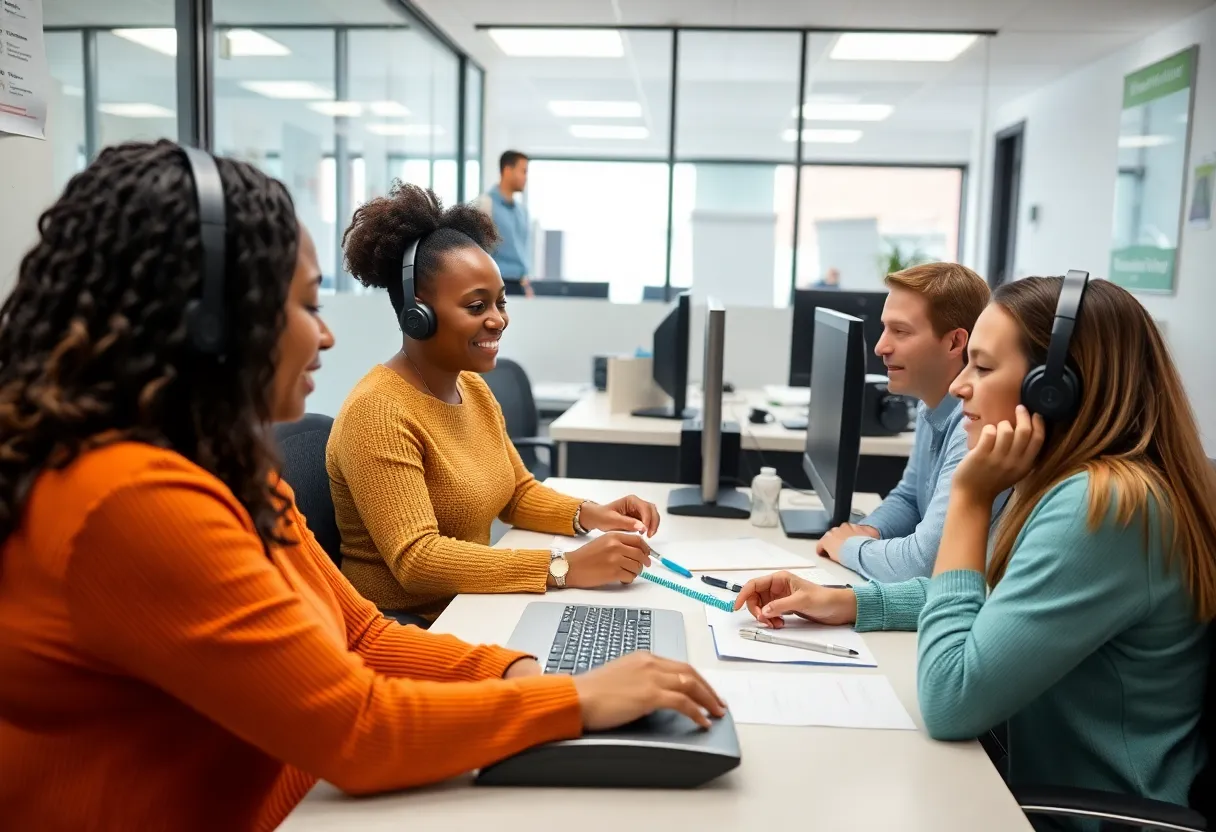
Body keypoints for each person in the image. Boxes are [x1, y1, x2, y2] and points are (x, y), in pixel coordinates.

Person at [0, 142, 724, 830]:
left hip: (302, 799)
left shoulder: (223, 464)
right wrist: (572, 699)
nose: (326, 337)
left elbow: (363, 634)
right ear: (210, 324)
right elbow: (356, 729)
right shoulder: (128, 500)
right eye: (307, 306)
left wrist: (517, 672)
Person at [735, 275, 1216, 815]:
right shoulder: (1080, 485)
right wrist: (853, 602)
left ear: (1053, 390)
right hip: (1027, 790)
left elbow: (949, 699)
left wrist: (969, 496)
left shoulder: (1105, 507)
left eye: (983, 367)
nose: (960, 385)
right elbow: (1000, 598)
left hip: (1088, 817)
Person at [328, 183, 664, 622]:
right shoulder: (378, 412)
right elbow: (417, 559)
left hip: (468, 608)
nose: (499, 319)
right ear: (418, 314)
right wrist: (563, 568)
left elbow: (516, 493)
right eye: (476, 305)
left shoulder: (472, 388)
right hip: (405, 629)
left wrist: (591, 514)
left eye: (501, 302)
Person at [818, 263, 991, 581]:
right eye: (885, 329)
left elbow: (923, 564)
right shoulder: (933, 403)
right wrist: (870, 529)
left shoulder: (976, 425)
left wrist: (850, 548)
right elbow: (911, 498)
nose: (880, 347)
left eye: (900, 331)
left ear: (954, 343)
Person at [475, 149, 534, 298]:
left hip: (519, 286)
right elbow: (478, 250)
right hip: (495, 285)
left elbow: (521, 252)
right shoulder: (485, 205)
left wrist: (525, 284)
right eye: (523, 171)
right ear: (508, 170)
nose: (526, 178)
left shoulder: (522, 211)